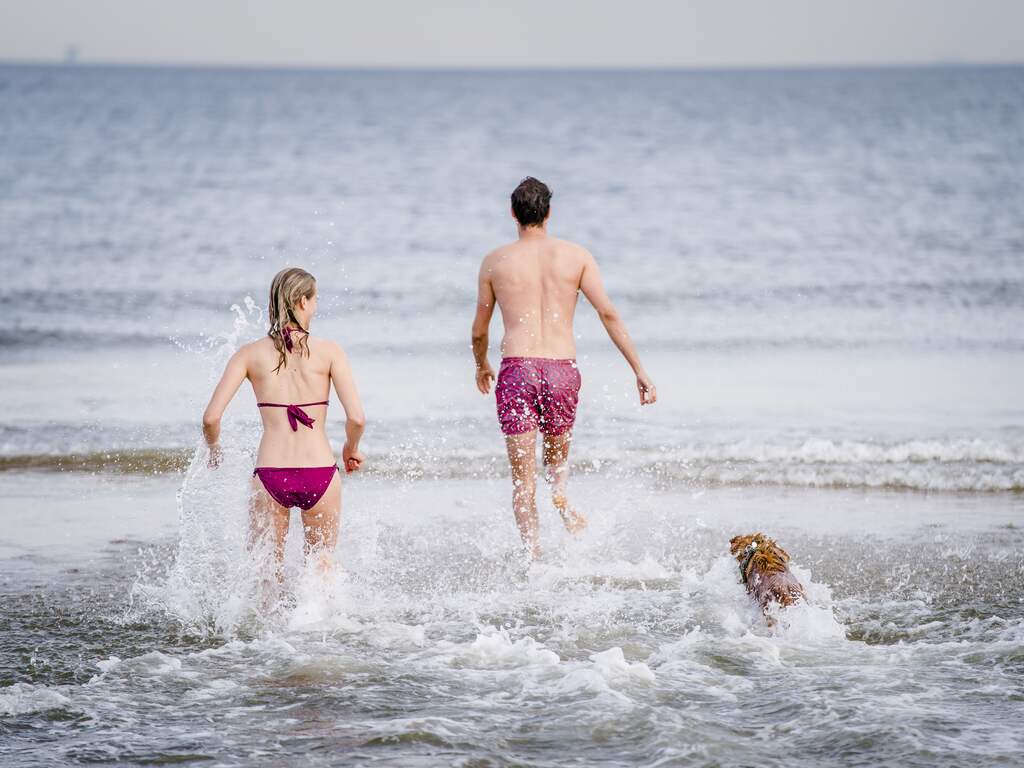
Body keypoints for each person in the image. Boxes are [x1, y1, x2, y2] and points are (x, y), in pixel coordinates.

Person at [471, 177, 656, 560]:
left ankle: (533, 558)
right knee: (556, 462)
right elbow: (607, 313)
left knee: (522, 482)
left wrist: (481, 365)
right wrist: (638, 369)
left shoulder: (495, 261)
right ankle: (561, 495)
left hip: (517, 370)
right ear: (549, 212)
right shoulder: (576, 256)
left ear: (512, 213)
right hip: (561, 371)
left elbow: (479, 330)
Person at [202, 267, 365, 575]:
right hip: (320, 473)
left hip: (269, 475)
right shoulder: (330, 352)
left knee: (265, 575)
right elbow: (356, 418)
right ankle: (318, 623)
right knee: (322, 567)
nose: (316, 306)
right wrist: (351, 448)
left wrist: (213, 450)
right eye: (315, 299)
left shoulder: (249, 355)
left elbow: (211, 418)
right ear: (303, 302)